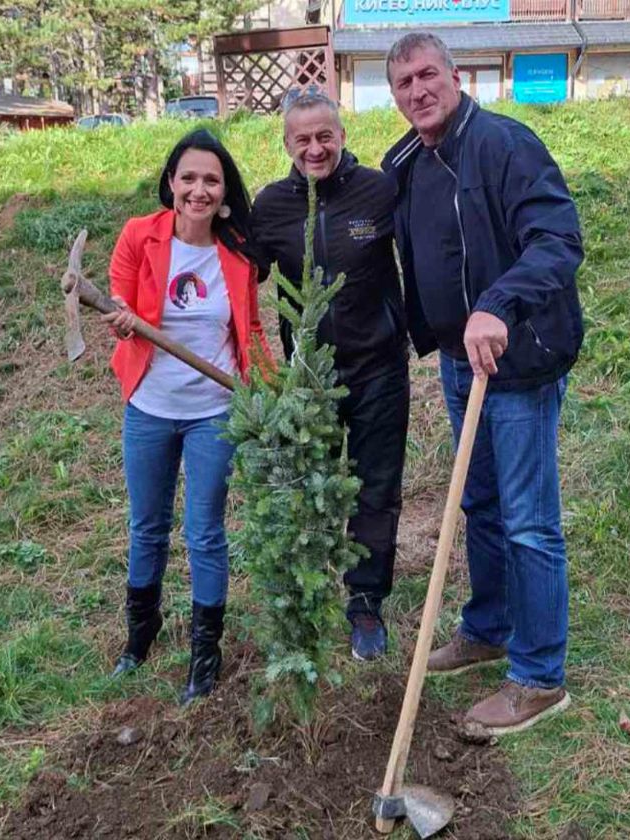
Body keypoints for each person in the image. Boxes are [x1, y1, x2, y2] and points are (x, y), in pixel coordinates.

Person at [382, 32, 585, 735]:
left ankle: (538, 676)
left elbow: (558, 240)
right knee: (482, 502)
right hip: (457, 360)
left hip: (519, 359)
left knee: (528, 519)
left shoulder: (504, 144)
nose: (418, 90)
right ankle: (490, 626)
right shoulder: (407, 162)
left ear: (456, 75)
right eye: (404, 82)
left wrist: (498, 305)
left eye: (428, 74)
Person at [103, 128, 272, 705]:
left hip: (213, 413)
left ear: (224, 192)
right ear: (171, 184)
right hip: (149, 408)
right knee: (147, 525)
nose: (198, 190)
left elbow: (247, 330)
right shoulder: (138, 237)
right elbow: (120, 300)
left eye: (211, 180)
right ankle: (139, 639)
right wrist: (121, 317)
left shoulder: (236, 255)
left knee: (205, 532)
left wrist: (267, 392)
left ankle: (205, 653)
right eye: (189, 178)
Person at [251, 89, 410, 661]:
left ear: (341, 134)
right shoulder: (270, 207)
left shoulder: (378, 191)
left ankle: (365, 602)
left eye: (325, 135)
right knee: (310, 487)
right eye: (303, 139)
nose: (315, 148)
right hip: (310, 376)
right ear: (287, 144)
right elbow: (239, 275)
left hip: (379, 369)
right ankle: (308, 599)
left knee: (376, 487)